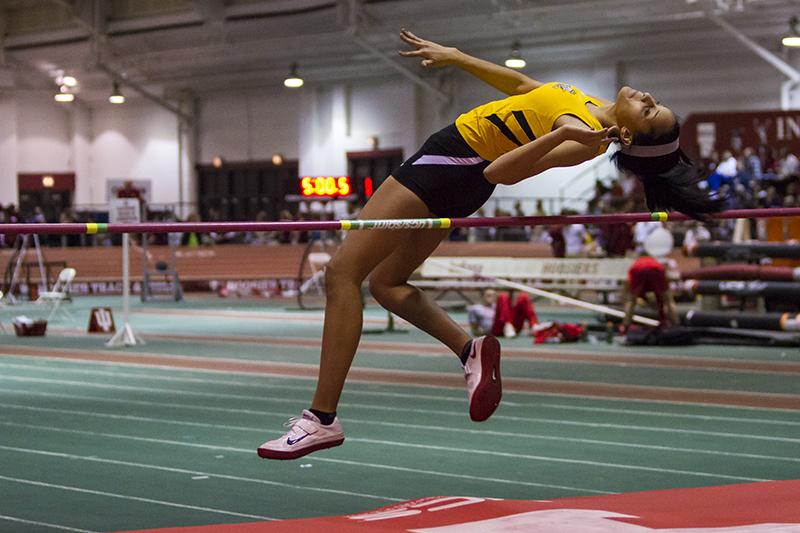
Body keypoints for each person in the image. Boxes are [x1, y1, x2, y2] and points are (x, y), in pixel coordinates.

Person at [257, 29, 724, 460]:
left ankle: (321, 418)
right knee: (388, 284)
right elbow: (523, 89)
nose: (645, 96)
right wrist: (457, 57)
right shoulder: (589, 104)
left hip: (453, 161)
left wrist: (563, 134)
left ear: (625, 135)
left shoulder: (584, 138)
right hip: (456, 169)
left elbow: (498, 172)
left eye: (647, 110)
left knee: (342, 274)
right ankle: (469, 350)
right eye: (653, 101)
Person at [621, 254, 679, 333]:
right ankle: (676, 325)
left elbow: (627, 284)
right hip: (656, 269)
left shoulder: (636, 263)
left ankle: (625, 328)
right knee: (669, 300)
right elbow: (665, 280)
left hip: (638, 269)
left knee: (631, 301)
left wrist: (624, 296)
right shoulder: (655, 262)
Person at [468, 288, 538, 338]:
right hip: (496, 330)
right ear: (482, 297)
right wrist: (483, 334)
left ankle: (534, 326)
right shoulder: (475, 308)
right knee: (503, 296)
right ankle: (507, 325)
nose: (492, 298)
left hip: (511, 328)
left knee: (523, 297)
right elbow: (474, 329)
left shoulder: (499, 305)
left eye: (494, 296)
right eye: (489, 296)